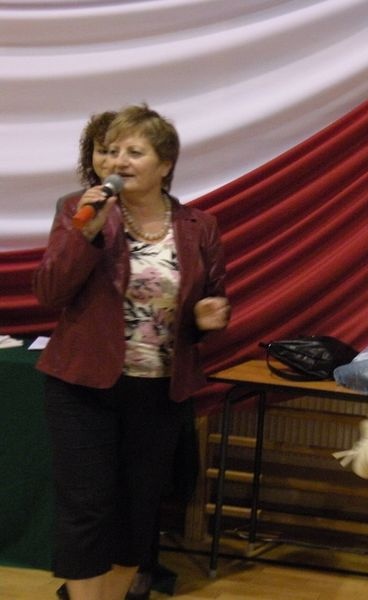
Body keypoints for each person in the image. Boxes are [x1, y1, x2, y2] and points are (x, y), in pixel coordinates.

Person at [34, 103, 230, 600]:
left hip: (158, 392)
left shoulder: (199, 225)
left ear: (165, 164)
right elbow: (50, 291)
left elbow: (210, 298)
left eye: (133, 152)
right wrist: (86, 234)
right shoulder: (78, 210)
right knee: (86, 509)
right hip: (82, 387)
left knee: (137, 513)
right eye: (108, 151)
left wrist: (207, 316)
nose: (116, 162)